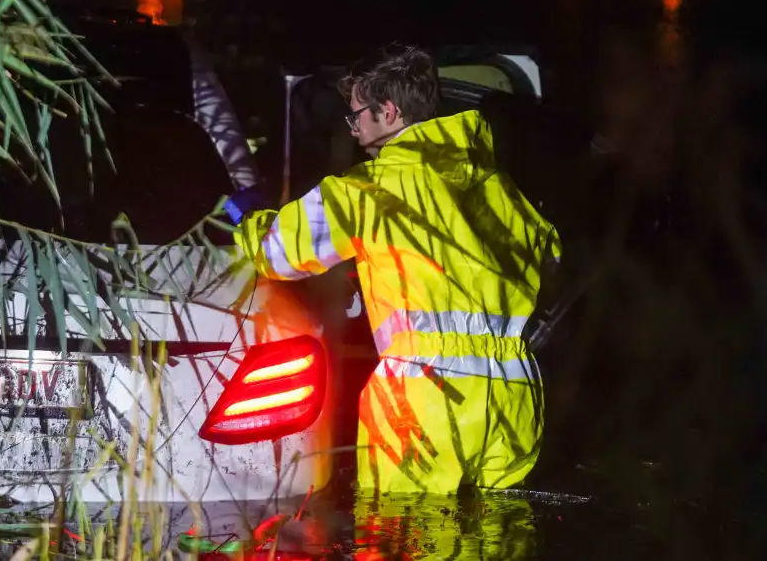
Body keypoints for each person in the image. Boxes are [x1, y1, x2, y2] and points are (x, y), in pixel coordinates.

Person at [227, 45, 561, 495]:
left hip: (424, 397)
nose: (354, 128)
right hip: (514, 394)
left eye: (357, 115)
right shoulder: (497, 186)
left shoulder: (370, 188)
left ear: (389, 111)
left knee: (404, 538)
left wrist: (247, 219)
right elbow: (547, 260)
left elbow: (279, 252)